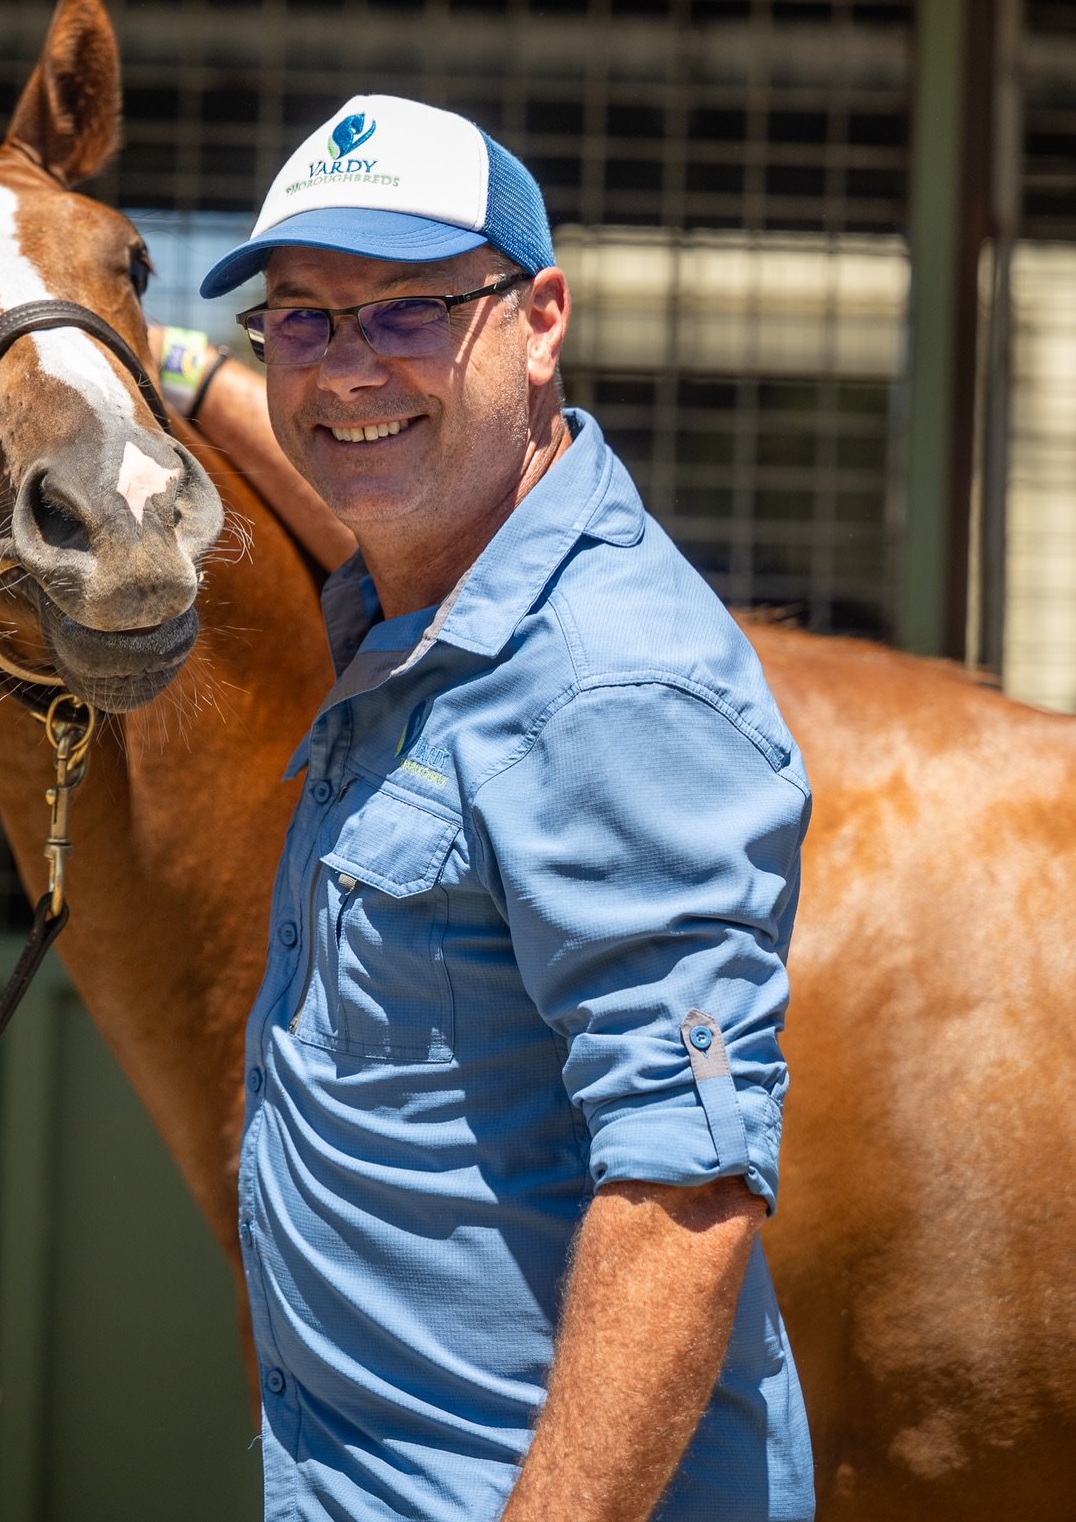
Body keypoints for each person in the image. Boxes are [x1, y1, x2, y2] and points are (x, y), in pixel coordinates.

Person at [188, 95, 815, 1522]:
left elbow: (685, 1201)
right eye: (301, 320)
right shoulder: (416, 614)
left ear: (539, 320)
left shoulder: (604, 688)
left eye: (408, 311)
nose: (348, 373)